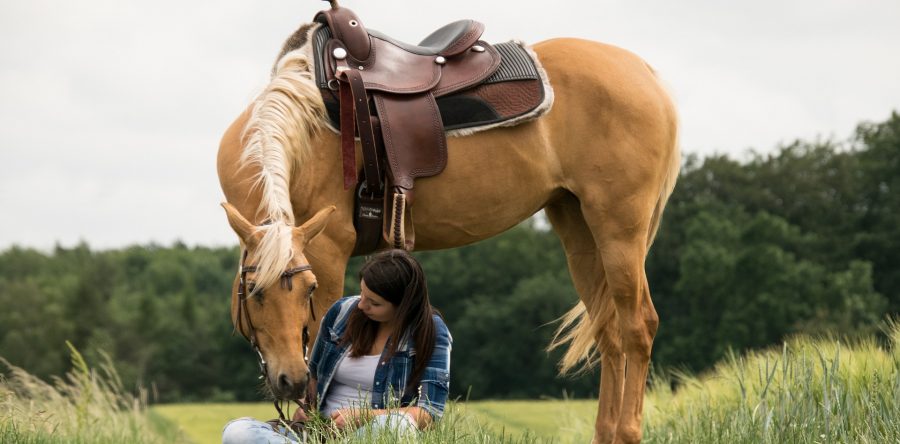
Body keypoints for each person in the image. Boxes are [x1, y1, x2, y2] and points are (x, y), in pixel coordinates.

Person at [222, 249, 452, 443]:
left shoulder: (431, 331)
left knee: (400, 426)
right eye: (362, 293)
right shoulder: (342, 312)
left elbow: (429, 413)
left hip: (368, 435)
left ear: (403, 306)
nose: (361, 305)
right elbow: (314, 377)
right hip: (318, 433)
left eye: (374, 303)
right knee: (237, 432)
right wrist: (306, 407)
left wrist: (365, 416)